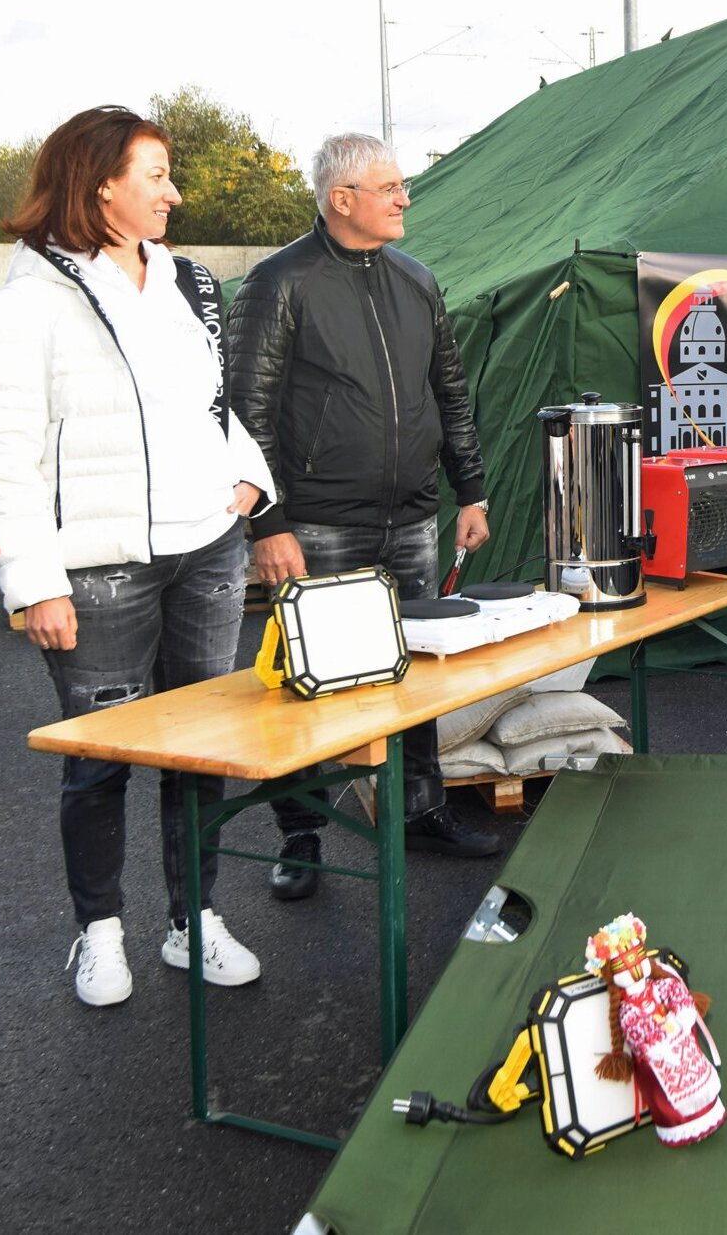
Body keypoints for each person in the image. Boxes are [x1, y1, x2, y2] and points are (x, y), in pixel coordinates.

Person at [0, 105, 276, 1007]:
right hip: (97, 570)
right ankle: (100, 934)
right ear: (101, 184)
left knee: (202, 751)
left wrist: (247, 479)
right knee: (100, 758)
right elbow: (1, 454)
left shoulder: (184, 284)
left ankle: (193, 920)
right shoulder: (27, 304)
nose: (173, 192)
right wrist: (33, 582)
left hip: (206, 550)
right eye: (156, 175)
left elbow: (209, 403)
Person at [228, 132, 499, 890]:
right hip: (316, 522)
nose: (406, 199)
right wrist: (268, 524)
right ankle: (301, 836)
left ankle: (419, 809)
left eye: (403, 186)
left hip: (412, 518)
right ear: (341, 199)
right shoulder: (278, 282)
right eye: (391, 188)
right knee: (310, 682)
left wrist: (471, 490)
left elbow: (451, 392)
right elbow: (246, 412)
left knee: (413, 672)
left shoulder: (417, 279)